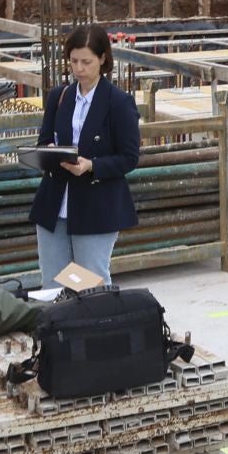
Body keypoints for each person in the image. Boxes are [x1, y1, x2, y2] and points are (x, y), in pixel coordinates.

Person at [31, 25, 140, 284]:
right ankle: (58, 326)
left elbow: (129, 157)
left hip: (95, 205)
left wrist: (92, 165)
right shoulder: (60, 96)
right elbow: (44, 140)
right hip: (55, 201)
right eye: (74, 61)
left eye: (86, 62)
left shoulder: (118, 102)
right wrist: (49, 154)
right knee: (54, 282)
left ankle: (95, 326)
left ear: (102, 59)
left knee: (90, 283)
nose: (79, 68)